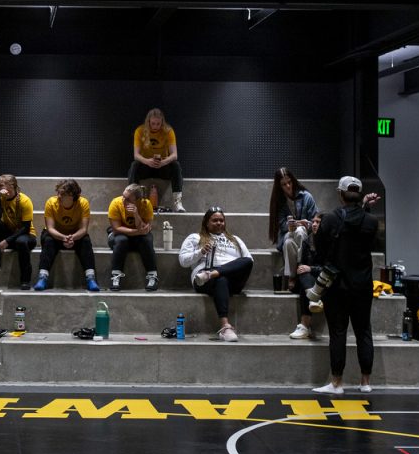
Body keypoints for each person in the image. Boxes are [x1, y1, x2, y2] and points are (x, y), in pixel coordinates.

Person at [311, 176, 381, 395]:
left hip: (337, 285)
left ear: (339, 194)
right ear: (360, 195)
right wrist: (365, 209)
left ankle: (337, 383)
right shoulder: (371, 221)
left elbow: (320, 252)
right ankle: (365, 382)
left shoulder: (329, 219)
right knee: (364, 332)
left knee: (338, 333)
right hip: (362, 284)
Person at [179, 207, 253, 342]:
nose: (219, 223)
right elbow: (183, 261)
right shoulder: (195, 237)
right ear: (206, 222)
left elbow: (248, 260)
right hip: (203, 279)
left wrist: (217, 272)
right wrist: (201, 252)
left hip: (230, 279)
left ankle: (212, 274)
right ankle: (225, 326)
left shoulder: (235, 239)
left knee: (247, 261)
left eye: (221, 220)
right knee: (221, 279)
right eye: (215, 220)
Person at [34, 179, 99, 292]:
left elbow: (83, 229)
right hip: (56, 235)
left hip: (75, 235)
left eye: (62, 194)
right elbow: (50, 228)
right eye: (58, 193)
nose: (58, 196)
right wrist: (64, 238)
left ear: (72, 196)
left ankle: (90, 278)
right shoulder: (51, 202)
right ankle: (42, 277)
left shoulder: (83, 203)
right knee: (48, 240)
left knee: (86, 241)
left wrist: (72, 237)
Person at [268, 167, 318, 291]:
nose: (288, 186)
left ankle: (292, 276)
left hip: (306, 237)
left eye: (289, 182)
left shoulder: (306, 196)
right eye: (284, 184)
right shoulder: (279, 202)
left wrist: (308, 224)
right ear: (279, 186)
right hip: (288, 233)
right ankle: (300, 268)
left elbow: (315, 221)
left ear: (293, 181)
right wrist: (289, 226)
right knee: (290, 237)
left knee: (291, 241)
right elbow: (281, 225)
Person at [127, 108, 185, 212]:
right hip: (147, 166)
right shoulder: (140, 131)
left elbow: (174, 155)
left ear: (162, 122)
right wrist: (147, 161)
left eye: (158, 124)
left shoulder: (168, 131)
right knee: (134, 165)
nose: (155, 126)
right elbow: (136, 155)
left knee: (176, 165)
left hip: (162, 166)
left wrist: (163, 162)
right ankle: (133, 201)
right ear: (148, 121)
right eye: (153, 123)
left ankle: (178, 202)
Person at [0, 174, 37, 289]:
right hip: (11, 232)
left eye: (0, 185)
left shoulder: (25, 201)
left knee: (20, 242)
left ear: (11, 186)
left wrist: (7, 241)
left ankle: (25, 280)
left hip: (27, 235)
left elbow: (26, 228)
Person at [106, 183, 159, 291]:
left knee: (147, 240)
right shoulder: (115, 203)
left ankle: (153, 276)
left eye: (127, 199)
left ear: (137, 200)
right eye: (123, 196)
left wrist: (136, 215)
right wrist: (138, 232)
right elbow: (117, 229)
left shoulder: (145, 204)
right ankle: (115, 276)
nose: (123, 200)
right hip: (118, 236)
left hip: (137, 238)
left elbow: (145, 228)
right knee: (122, 240)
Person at [289, 213, 325, 340]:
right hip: (308, 280)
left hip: (325, 278)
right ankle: (313, 298)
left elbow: (329, 267)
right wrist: (304, 268)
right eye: (313, 221)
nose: (314, 224)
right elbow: (303, 263)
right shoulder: (307, 241)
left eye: (318, 222)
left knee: (305, 277)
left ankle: (304, 326)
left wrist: (311, 268)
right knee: (303, 273)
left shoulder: (330, 242)